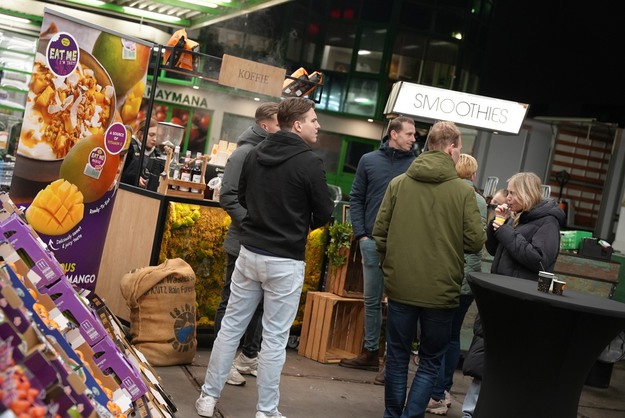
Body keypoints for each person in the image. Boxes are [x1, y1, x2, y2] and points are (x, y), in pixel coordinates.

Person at [195, 97, 334, 418]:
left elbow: (241, 197)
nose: (318, 125)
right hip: (285, 260)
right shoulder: (309, 163)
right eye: (313, 120)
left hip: (249, 252)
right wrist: (299, 225)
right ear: (297, 124)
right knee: (274, 339)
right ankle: (266, 411)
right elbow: (325, 212)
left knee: (231, 328)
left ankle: (207, 398)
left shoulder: (255, 153)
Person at [372, 120, 486, 418]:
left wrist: (391, 266)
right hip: (441, 290)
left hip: (401, 286)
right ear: (451, 149)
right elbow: (476, 241)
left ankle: (392, 415)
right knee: (430, 360)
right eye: (459, 149)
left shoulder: (399, 183)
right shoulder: (463, 193)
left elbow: (379, 234)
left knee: (397, 356)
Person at [461, 172, 565, 418]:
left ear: (527, 194)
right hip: (500, 301)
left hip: (519, 306)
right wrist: (497, 224)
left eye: (512, 193)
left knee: (505, 367)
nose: (507, 197)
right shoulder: (520, 217)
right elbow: (493, 248)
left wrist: (507, 231)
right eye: (508, 192)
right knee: (485, 363)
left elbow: (539, 259)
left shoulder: (548, 223)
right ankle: (471, 413)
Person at [339, 116, 416, 377]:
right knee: (371, 300)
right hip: (371, 241)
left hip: (402, 244)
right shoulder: (369, 160)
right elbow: (357, 197)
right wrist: (361, 234)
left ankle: (391, 362)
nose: (413, 139)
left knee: (398, 303)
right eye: (409, 134)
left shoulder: (415, 165)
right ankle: (370, 352)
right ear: (394, 134)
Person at [214, 102, 280, 386]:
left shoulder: (269, 152)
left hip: (262, 243)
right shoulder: (244, 153)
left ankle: (248, 356)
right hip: (242, 241)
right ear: (265, 125)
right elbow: (227, 196)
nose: (283, 127)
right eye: (278, 122)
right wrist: (252, 222)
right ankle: (223, 362)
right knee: (231, 303)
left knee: (259, 305)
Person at [426, 154, 487, 415]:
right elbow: (478, 239)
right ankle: (443, 390)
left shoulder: (446, 193)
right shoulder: (480, 200)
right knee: (452, 336)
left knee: (438, 335)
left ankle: (436, 393)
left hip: (446, 273)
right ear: (472, 173)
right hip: (467, 278)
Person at [121, 117, 161, 188]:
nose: (155, 139)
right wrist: (134, 179)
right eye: (151, 135)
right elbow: (118, 173)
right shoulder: (129, 146)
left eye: (157, 136)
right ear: (140, 133)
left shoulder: (156, 154)